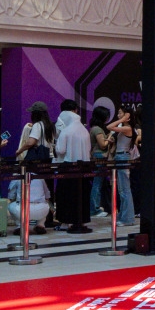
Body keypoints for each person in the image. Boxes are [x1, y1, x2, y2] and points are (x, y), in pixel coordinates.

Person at [15, 103, 55, 233]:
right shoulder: (50, 126)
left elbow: (31, 142)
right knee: (47, 190)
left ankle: (37, 218)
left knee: (36, 189)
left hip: (38, 161)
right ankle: (47, 218)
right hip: (48, 160)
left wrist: (19, 150)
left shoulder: (38, 125)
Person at [54, 100, 93, 234]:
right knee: (82, 195)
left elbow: (60, 150)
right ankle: (81, 220)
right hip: (84, 166)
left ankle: (65, 221)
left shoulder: (66, 131)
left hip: (68, 166)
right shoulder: (84, 131)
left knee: (65, 195)